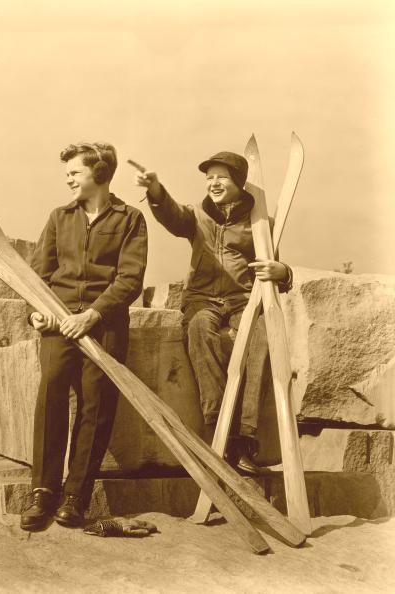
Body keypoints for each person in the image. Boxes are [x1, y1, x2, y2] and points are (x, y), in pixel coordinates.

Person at [134, 151, 292, 475]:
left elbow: (276, 274)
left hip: (242, 298)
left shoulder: (261, 223)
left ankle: (246, 438)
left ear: (238, 182)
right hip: (202, 298)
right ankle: (218, 429)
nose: (213, 183)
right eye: (209, 178)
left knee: (262, 336)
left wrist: (283, 271)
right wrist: (155, 191)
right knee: (200, 330)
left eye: (221, 177)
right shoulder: (196, 215)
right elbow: (172, 215)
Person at [20, 142, 147, 531]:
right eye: (68, 173)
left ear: (99, 173)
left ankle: (76, 496)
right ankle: (42, 491)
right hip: (58, 324)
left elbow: (130, 279)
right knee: (52, 395)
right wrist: (37, 312)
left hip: (104, 326)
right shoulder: (59, 217)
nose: (68, 178)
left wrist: (92, 315)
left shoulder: (131, 219)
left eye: (75, 172)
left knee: (96, 408)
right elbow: (39, 275)